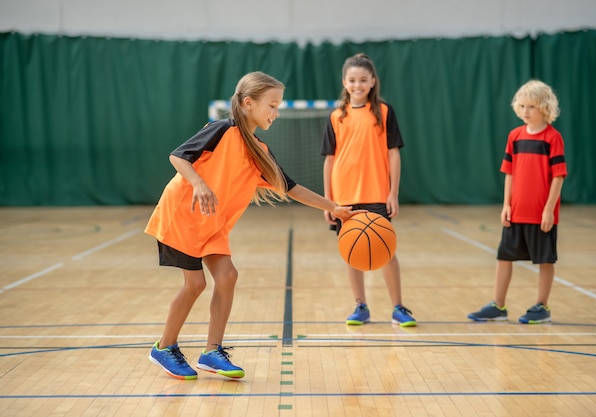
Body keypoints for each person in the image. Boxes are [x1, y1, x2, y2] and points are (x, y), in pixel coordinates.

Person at [145, 71, 365, 380]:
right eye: (272, 106)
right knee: (195, 284)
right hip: (182, 214)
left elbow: (291, 187)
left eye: (278, 106)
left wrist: (334, 208)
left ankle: (212, 351)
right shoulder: (221, 130)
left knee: (228, 277)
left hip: (213, 224)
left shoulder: (259, 151)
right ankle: (164, 348)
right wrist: (198, 184)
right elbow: (179, 156)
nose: (276, 113)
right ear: (248, 103)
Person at [321, 53, 416, 327]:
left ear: (373, 82)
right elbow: (329, 159)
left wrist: (393, 192)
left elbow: (393, 154)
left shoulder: (384, 113)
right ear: (345, 82)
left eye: (363, 80)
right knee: (351, 250)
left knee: (386, 250)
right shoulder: (337, 116)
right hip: (344, 195)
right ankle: (360, 305)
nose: (357, 85)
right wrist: (328, 201)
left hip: (376, 193)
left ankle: (398, 307)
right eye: (352, 80)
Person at [468, 79, 567, 324]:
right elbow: (509, 173)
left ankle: (542, 306)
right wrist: (506, 205)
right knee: (504, 257)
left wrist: (548, 210)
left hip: (541, 215)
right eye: (521, 106)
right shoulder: (514, 136)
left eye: (531, 107)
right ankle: (498, 306)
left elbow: (558, 176)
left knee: (545, 259)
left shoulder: (553, 138)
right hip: (516, 212)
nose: (525, 111)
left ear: (544, 108)